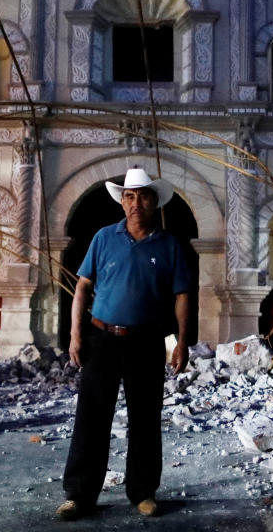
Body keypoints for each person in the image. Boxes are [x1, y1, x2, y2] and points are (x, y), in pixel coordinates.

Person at [57, 167, 190, 520]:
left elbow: (182, 296)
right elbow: (83, 287)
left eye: (143, 195)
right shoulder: (103, 238)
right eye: (129, 196)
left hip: (148, 341)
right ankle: (79, 495)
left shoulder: (169, 244)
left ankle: (143, 492)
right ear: (123, 201)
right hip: (102, 339)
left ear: (153, 201)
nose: (135, 203)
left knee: (145, 418)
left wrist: (181, 342)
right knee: (92, 418)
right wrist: (75, 334)